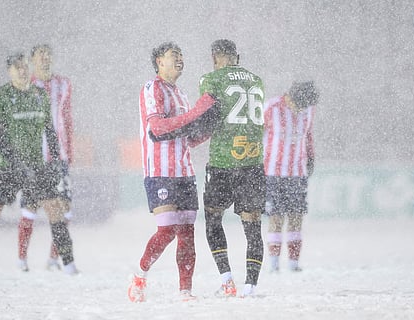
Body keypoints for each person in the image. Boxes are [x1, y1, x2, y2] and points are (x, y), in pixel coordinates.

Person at [0, 52, 78, 278]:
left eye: (24, 66)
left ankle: (69, 265)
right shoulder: (1, 95)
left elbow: (50, 132)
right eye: (17, 68)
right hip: (7, 167)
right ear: (10, 71)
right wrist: (15, 162)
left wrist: (54, 161)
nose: (22, 71)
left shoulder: (39, 95)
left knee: (56, 209)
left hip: (36, 167)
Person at [128, 41, 219, 303]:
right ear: (159, 61)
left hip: (184, 171)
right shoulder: (151, 88)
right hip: (160, 171)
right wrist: (196, 113)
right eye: (173, 55)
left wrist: (209, 127)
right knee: (167, 230)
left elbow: (187, 138)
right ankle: (140, 273)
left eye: (181, 54)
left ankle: (185, 291)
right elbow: (157, 129)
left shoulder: (180, 94)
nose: (180, 59)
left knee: (187, 235)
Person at [200, 39, 267, 298]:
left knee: (213, 217)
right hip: (252, 162)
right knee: (252, 224)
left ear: (214, 57)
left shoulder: (211, 79)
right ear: (237, 57)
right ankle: (251, 286)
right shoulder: (256, 80)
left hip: (222, 162)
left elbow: (205, 116)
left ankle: (227, 280)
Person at [17, 44, 74, 272]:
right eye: (40, 57)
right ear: (32, 61)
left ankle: (53, 259)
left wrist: (69, 152)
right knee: (31, 206)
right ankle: (22, 259)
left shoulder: (64, 84)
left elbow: (67, 117)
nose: (45, 60)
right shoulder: (25, 86)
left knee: (65, 207)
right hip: (34, 158)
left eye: (48, 55)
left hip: (58, 157)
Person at [262, 81, 319, 272]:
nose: (300, 110)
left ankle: (294, 264)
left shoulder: (308, 110)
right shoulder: (271, 107)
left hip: (297, 173)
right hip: (273, 173)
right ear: (290, 97)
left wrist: (310, 158)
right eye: (298, 105)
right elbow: (256, 134)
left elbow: (308, 135)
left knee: (296, 217)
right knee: (276, 219)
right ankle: (274, 264)